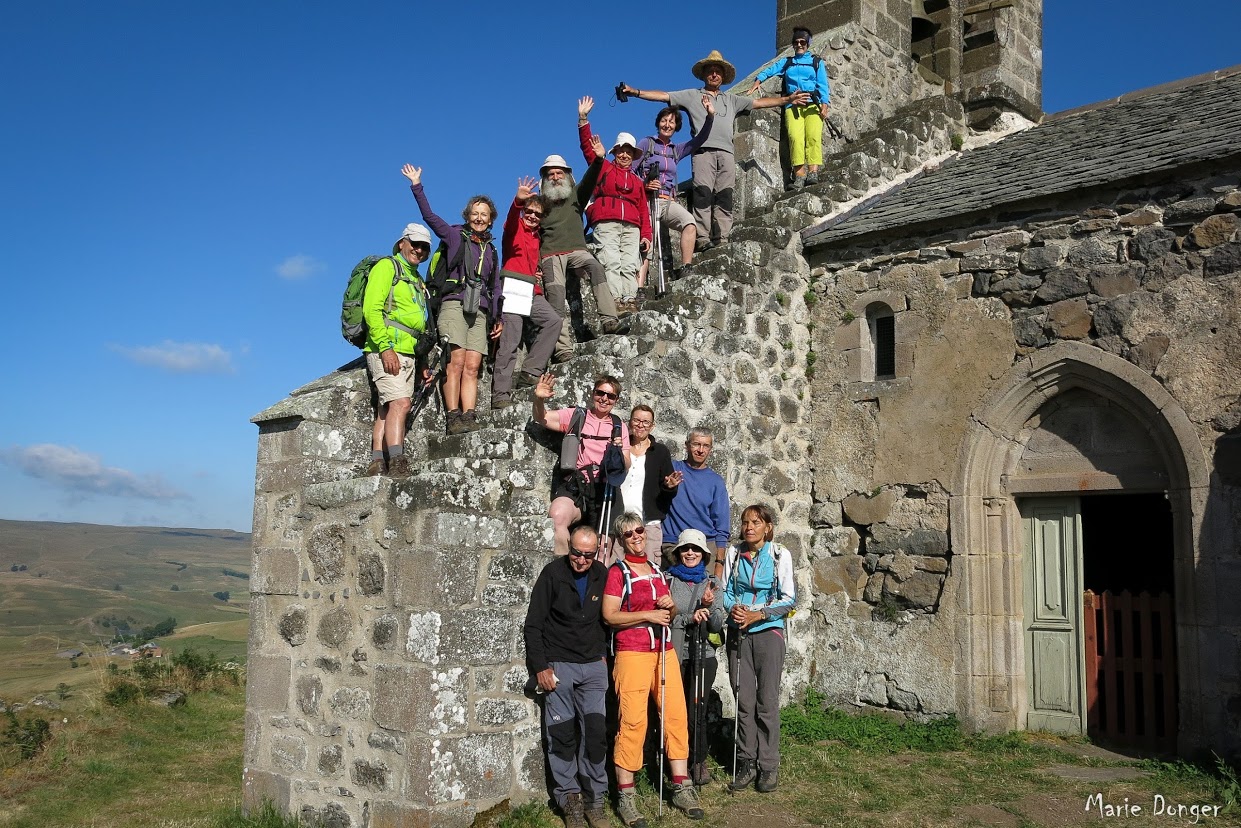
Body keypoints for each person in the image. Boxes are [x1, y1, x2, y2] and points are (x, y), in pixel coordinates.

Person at [620, 51, 809, 249]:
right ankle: (702, 239)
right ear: (704, 75)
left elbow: (759, 103)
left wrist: (787, 99)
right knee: (703, 194)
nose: (714, 75)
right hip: (702, 152)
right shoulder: (693, 95)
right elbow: (664, 96)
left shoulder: (732, 99)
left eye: (717, 72)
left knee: (725, 195)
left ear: (723, 77)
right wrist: (636, 92)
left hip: (726, 153)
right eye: (710, 71)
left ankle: (723, 238)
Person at [602, 512, 705, 825]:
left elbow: (670, 612)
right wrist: (648, 615)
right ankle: (626, 795)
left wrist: (669, 607)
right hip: (632, 652)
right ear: (621, 540)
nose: (636, 537)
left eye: (639, 531)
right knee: (632, 721)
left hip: (664, 651)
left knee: (675, 715)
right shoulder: (617, 573)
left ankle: (680, 785)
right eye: (629, 534)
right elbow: (609, 615)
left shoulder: (658, 571)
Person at [402, 164, 503, 435]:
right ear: (467, 216)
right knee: (455, 362)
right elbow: (430, 217)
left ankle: (469, 416)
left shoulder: (491, 249)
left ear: (491, 219)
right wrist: (417, 186)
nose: (479, 218)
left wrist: (498, 317)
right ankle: (453, 415)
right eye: (475, 213)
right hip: (455, 304)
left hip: (480, 310)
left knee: (473, 365)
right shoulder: (455, 236)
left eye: (484, 214)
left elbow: (495, 285)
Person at [523, 525, 611, 828]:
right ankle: (569, 799)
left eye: (588, 554)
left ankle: (594, 799)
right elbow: (533, 625)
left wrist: (602, 655)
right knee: (561, 735)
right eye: (576, 553)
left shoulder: (602, 573)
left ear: (597, 551)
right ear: (568, 547)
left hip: (594, 667)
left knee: (596, 734)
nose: (581, 560)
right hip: (559, 665)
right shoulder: (552, 574)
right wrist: (541, 667)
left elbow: (607, 618)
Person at [721, 504, 796, 794]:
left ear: (768, 527)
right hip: (738, 633)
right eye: (745, 522)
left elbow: (789, 599)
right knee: (743, 701)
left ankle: (768, 766)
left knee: (766, 702)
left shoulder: (780, 555)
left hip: (768, 633)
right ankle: (746, 762)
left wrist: (759, 614)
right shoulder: (733, 553)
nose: (749, 527)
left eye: (756, 522)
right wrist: (735, 609)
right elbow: (726, 591)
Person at [539, 154, 628, 364]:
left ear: (568, 176)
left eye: (559, 172)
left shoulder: (576, 195)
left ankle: (609, 321)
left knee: (596, 267)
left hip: (578, 250)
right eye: (550, 174)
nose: (555, 177)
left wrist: (598, 159)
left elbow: (591, 177)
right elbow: (532, 235)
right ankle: (562, 350)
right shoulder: (540, 205)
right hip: (551, 254)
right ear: (544, 180)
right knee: (556, 298)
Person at [362, 223, 433, 478]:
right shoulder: (386, 267)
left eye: (424, 247)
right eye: (415, 244)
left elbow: (419, 324)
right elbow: (372, 310)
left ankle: (377, 461)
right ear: (402, 242)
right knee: (401, 403)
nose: (419, 250)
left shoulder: (416, 278)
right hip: (388, 348)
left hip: (409, 352)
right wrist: (385, 348)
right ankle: (398, 461)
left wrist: (422, 361)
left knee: (388, 406)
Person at [533, 374, 631, 557]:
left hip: (605, 487)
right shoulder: (577, 416)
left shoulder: (619, 426)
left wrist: (617, 452)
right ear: (593, 393)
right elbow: (542, 418)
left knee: (603, 546)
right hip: (576, 484)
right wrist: (538, 399)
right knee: (557, 517)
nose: (604, 399)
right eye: (600, 393)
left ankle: (595, 582)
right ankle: (564, 571)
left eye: (611, 396)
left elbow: (626, 464)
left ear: (616, 400)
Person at [492, 178, 563, 410]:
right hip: (512, 287)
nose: (532, 216)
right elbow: (511, 219)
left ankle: (530, 371)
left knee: (553, 321)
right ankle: (501, 394)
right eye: (529, 211)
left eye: (537, 214)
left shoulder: (537, 237)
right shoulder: (514, 230)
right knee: (510, 342)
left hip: (532, 290)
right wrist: (518, 201)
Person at [577, 96, 651, 314]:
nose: (625, 155)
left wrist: (646, 234)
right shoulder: (604, 168)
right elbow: (589, 150)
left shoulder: (637, 182)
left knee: (629, 264)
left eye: (629, 151)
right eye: (621, 150)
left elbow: (643, 211)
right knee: (610, 262)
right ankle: (615, 301)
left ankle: (629, 300)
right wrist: (583, 120)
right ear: (615, 152)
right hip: (606, 222)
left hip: (632, 227)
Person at [665, 528, 725, 787]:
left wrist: (709, 608)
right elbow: (666, 617)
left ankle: (697, 761)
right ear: (678, 553)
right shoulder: (667, 580)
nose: (691, 553)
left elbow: (717, 624)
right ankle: (676, 762)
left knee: (696, 711)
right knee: (674, 711)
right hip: (675, 654)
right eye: (686, 549)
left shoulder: (713, 583)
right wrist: (690, 617)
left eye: (696, 549)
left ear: (704, 554)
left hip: (704, 654)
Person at [634, 97, 714, 288]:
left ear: (676, 126)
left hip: (667, 200)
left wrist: (710, 116)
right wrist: (643, 184)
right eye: (664, 120)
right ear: (658, 123)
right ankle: (639, 287)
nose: (667, 125)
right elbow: (630, 170)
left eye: (672, 121)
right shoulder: (646, 144)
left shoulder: (676, 150)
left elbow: (700, 139)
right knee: (648, 243)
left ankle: (686, 266)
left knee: (689, 223)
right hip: (647, 201)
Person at [749, 27, 831, 190]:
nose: (799, 45)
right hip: (793, 105)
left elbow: (823, 84)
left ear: (808, 43)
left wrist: (824, 104)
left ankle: (813, 172)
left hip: (812, 104)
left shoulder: (816, 62)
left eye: (802, 42)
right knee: (795, 137)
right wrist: (758, 81)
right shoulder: (787, 63)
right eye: (796, 42)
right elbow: (770, 70)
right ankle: (799, 175)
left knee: (813, 137)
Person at [614, 405, 680, 567]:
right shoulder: (620, 446)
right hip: (619, 523)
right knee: (616, 571)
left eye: (646, 422)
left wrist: (669, 486)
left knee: (649, 571)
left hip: (648, 524)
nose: (641, 425)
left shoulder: (660, 452)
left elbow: (668, 491)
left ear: (652, 426)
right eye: (637, 420)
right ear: (629, 422)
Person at [660, 428, 730, 574]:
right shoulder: (672, 469)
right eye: (696, 444)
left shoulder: (716, 482)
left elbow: (722, 526)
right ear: (686, 445)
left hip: (704, 547)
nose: (700, 450)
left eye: (706, 446)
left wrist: (719, 563)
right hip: (673, 544)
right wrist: (667, 486)